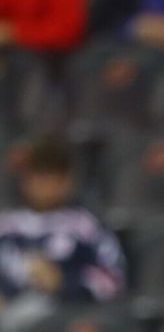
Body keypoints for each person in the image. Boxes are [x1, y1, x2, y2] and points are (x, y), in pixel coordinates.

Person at [0, 137, 125, 329]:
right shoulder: (6, 226)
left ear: (67, 181)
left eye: (52, 177)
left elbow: (113, 280)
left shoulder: (85, 226)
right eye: (38, 175)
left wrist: (62, 281)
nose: (43, 185)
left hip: (67, 315)